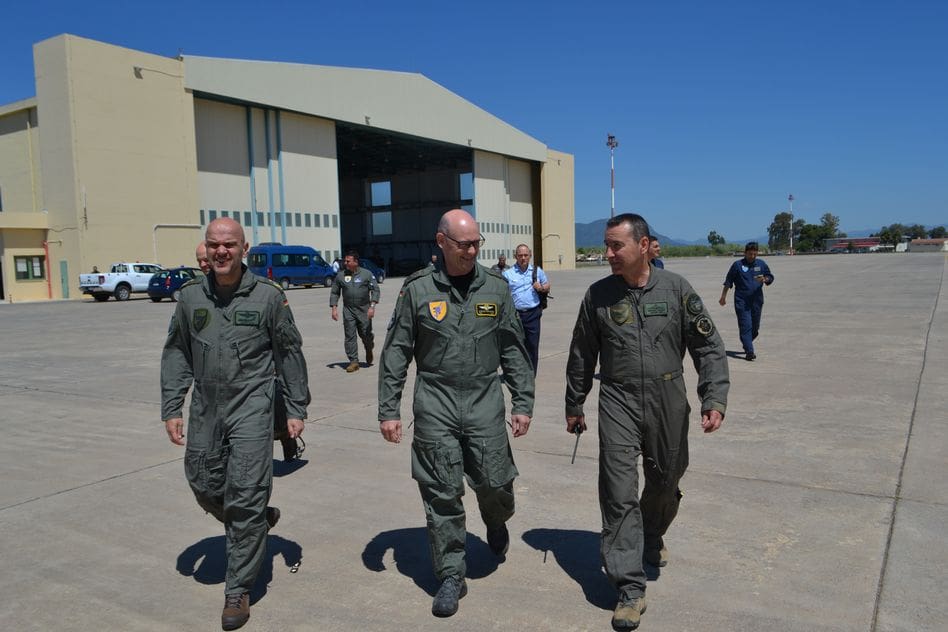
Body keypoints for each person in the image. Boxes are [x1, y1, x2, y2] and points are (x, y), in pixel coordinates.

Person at [565, 213, 729, 631]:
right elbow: (582, 353)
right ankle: (629, 588)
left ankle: (652, 534)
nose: (608, 254)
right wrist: (575, 403)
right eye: (606, 245)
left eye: (616, 246)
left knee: (666, 480)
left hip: (667, 399)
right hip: (617, 399)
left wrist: (713, 397)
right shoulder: (598, 295)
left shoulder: (676, 289)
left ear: (643, 246)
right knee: (618, 491)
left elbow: (708, 346)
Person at [378, 209, 535, 618]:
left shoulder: (495, 288)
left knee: (495, 483)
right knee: (441, 492)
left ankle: (496, 520)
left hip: (484, 399)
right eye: (463, 244)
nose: (471, 251)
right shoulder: (417, 290)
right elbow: (396, 352)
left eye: (476, 243)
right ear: (441, 242)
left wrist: (523, 402)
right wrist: (388, 409)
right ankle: (450, 573)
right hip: (436, 401)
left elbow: (513, 348)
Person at [161, 218, 310, 631]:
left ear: (245, 249)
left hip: (252, 406)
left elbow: (289, 352)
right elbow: (177, 352)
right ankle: (258, 520)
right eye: (214, 245)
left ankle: (237, 589)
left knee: (245, 492)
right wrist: (172, 406)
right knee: (202, 481)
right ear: (206, 249)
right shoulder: (191, 297)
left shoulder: (268, 296)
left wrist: (295, 408)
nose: (221, 251)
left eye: (229, 245)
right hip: (206, 406)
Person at [719, 241, 774, 361]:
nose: (752, 256)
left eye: (755, 254)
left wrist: (765, 279)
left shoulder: (761, 264)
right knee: (746, 325)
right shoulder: (737, 265)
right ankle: (749, 351)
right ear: (745, 253)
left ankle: (746, 341)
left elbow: (770, 276)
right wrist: (723, 297)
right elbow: (728, 281)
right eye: (750, 254)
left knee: (755, 328)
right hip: (742, 301)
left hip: (757, 300)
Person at [502, 244, 550, 375]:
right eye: (520, 255)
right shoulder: (507, 274)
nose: (523, 258)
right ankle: (518, 372)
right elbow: (502, 293)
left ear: (530, 255)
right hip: (515, 315)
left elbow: (547, 285)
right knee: (516, 345)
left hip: (533, 313)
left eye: (525, 255)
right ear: (515, 256)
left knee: (533, 344)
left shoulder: (537, 271)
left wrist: (541, 287)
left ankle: (531, 373)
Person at [330, 249, 381, 373]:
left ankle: (369, 348)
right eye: (345, 261)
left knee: (366, 334)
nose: (345, 263)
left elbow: (375, 290)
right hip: (348, 310)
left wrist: (372, 307)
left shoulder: (366, 274)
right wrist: (334, 308)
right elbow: (335, 292)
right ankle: (354, 361)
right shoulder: (341, 275)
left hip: (364, 309)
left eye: (348, 261)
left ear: (356, 262)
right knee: (350, 336)